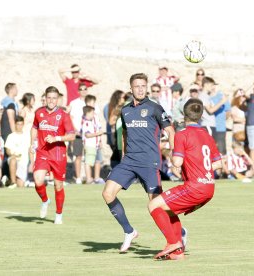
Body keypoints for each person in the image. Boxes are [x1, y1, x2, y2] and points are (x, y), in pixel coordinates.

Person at [102, 73, 175, 253]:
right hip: (129, 162)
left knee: (157, 205)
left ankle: (178, 233)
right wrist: (124, 155)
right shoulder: (125, 110)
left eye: (143, 86)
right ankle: (129, 231)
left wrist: (174, 155)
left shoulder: (155, 108)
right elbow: (125, 134)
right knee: (107, 193)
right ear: (131, 89)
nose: (140, 89)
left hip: (149, 162)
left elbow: (171, 131)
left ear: (146, 87)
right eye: (137, 86)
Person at [148, 98, 222, 261]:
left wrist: (168, 154)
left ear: (183, 115)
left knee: (154, 205)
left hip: (194, 188)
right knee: (169, 209)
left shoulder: (182, 135)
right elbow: (218, 164)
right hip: (209, 188)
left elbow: (177, 162)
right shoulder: (207, 136)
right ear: (201, 115)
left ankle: (173, 243)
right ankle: (177, 252)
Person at [31, 86, 75, 224]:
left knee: (58, 186)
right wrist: (32, 143)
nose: (51, 100)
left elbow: (72, 135)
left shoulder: (63, 115)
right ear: (45, 98)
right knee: (38, 180)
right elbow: (34, 127)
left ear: (58, 99)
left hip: (58, 154)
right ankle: (45, 201)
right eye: (49, 98)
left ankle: (59, 214)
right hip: (42, 152)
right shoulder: (39, 113)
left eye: (54, 98)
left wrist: (56, 139)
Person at [5, 116, 31, 188]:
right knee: (13, 160)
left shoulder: (27, 136)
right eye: (18, 124)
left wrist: (32, 161)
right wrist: (12, 155)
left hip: (24, 161)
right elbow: (7, 150)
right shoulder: (11, 136)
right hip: (14, 158)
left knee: (21, 185)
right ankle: (13, 182)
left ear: (23, 124)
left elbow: (30, 149)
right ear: (15, 124)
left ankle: (8, 181)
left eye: (21, 124)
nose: (19, 126)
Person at [81, 106, 105, 184]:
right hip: (90, 146)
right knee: (89, 162)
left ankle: (95, 178)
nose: (93, 114)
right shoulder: (86, 123)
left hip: (95, 145)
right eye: (92, 113)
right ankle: (89, 178)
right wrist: (98, 133)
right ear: (87, 113)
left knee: (96, 161)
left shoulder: (92, 121)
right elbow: (87, 135)